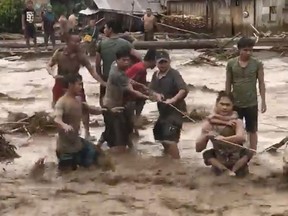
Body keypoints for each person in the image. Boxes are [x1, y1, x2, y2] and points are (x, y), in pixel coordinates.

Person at [46, 34, 106, 141]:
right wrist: (53, 74)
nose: (78, 44)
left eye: (79, 41)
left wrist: (102, 82)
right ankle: (62, 131)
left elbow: (91, 70)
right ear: (68, 42)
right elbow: (49, 65)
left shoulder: (81, 55)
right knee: (58, 107)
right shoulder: (59, 53)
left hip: (75, 82)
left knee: (84, 107)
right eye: (75, 42)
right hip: (61, 81)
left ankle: (87, 132)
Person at [54, 73, 113, 171]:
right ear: (70, 85)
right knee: (67, 177)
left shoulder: (78, 99)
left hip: (78, 143)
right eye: (79, 84)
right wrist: (64, 125)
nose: (81, 87)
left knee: (99, 158)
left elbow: (91, 110)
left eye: (81, 84)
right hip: (65, 147)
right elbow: (57, 119)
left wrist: (109, 110)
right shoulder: (61, 102)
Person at [101, 48, 150, 153]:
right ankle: (109, 154)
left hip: (118, 105)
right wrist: (148, 97)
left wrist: (140, 85)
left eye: (128, 60)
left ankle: (100, 145)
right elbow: (131, 90)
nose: (127, 63)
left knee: (124, 128)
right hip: (112, 107)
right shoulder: (116, 74)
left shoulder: (114, 65)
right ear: (117, 60)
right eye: (124, 60)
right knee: (117, 139)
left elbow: (128, 80)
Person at [196, 91, 253, 177]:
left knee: (249, 151)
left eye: (227, 105)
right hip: (220, 160)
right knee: (207, 154)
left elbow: (241, 137)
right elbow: (198, 148)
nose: (224, 107)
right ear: (216, 104)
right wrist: (206, 136)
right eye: (222, 104)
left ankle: (234, 170)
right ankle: (225, 170)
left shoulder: (237, 122)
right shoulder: (209, 123)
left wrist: (224, 139)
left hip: (236, 160)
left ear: (232, 106)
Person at [225, 37, 266, 151]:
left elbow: (261, 83)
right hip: (236, 102)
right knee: (234, 129)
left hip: (251, 103)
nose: (248, 52)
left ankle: (253, 153)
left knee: (252, 130)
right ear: (239, 50)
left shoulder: (257, 64)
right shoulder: (231, 63)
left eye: (250, 50)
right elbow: (228, 83)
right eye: (245, 50)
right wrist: (227, 102)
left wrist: (263, 101)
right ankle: (237, 151)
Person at [149, 50, 188, 159]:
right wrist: (156, 95)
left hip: (176, 111)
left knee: (170, 138)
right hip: (163, 112)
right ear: (156, 63)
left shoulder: (174, 74)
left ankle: (177, 162)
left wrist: (173, 99)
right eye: (160, 62)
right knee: (159, 134)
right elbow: (150, 90)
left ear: (169, 61)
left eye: (165, 62)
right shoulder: (155, 75)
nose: (163, 65)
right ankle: (168, 159)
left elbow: (183, 90)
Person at [95, 20, 142, 107]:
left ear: (110, 29)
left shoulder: (101, 44)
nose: (104, 30)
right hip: (122, 79)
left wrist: (100, 78)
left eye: (105, 28)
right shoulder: (126, 44)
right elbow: (139, 58)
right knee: (123, 105)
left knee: (105, 106)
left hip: (107, 78)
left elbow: (97, 64)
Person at [126, 49, 156, 117]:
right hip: (129, 95)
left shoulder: (140, 66)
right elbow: (129, 81)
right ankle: (136, 119)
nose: (156, 65)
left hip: (131, 93)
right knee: (142, 98)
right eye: (156, 62)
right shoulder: (141, 69)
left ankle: (136, 119)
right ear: (152, 61)